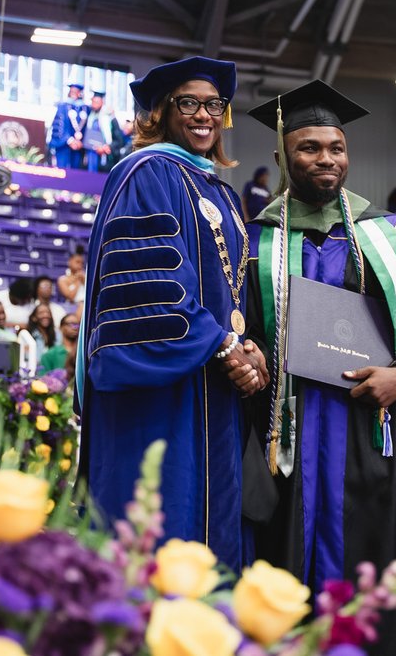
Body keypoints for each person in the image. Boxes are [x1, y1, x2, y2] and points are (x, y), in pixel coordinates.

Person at [242, 79, 396, 656]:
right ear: (284, 155)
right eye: (309, 147)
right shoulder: (255, 240)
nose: (326, 159)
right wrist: (251, 354)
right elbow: (244, 329)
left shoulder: (389, 235)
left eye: (336, 147)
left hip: (371, 438)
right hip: (286, 439)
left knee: (372, 585)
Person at [76, 56, 264, 570]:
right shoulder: (146, 173)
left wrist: (247, 348)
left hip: (216, 390)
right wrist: (222, 345)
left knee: (212, 538)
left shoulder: (221, 190)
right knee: (160, 527)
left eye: (214, 105)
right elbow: (147, 289)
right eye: (189, 104)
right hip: (162, 392)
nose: (204, 115)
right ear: (161, 112)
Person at [81, 89, 125, 172]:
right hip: (90, 154)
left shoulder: (110, 118)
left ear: (102, 102)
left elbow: (119, 140)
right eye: (93, 102)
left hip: (105, 157)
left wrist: (107, 147)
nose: (94, 105)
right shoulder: (90, 117)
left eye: (96, 102)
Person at [47, 82, 87, 169]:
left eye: (76, 91)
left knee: (76, 172)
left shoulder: (85, 108)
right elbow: (58, 126)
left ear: (80, 93)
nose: (73, 93)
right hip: (64, 145)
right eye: (72, 91)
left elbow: (87, 128)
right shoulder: (62, 107)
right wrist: (69, 140)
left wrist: (81, 142)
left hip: (78, 147)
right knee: (62, 170)